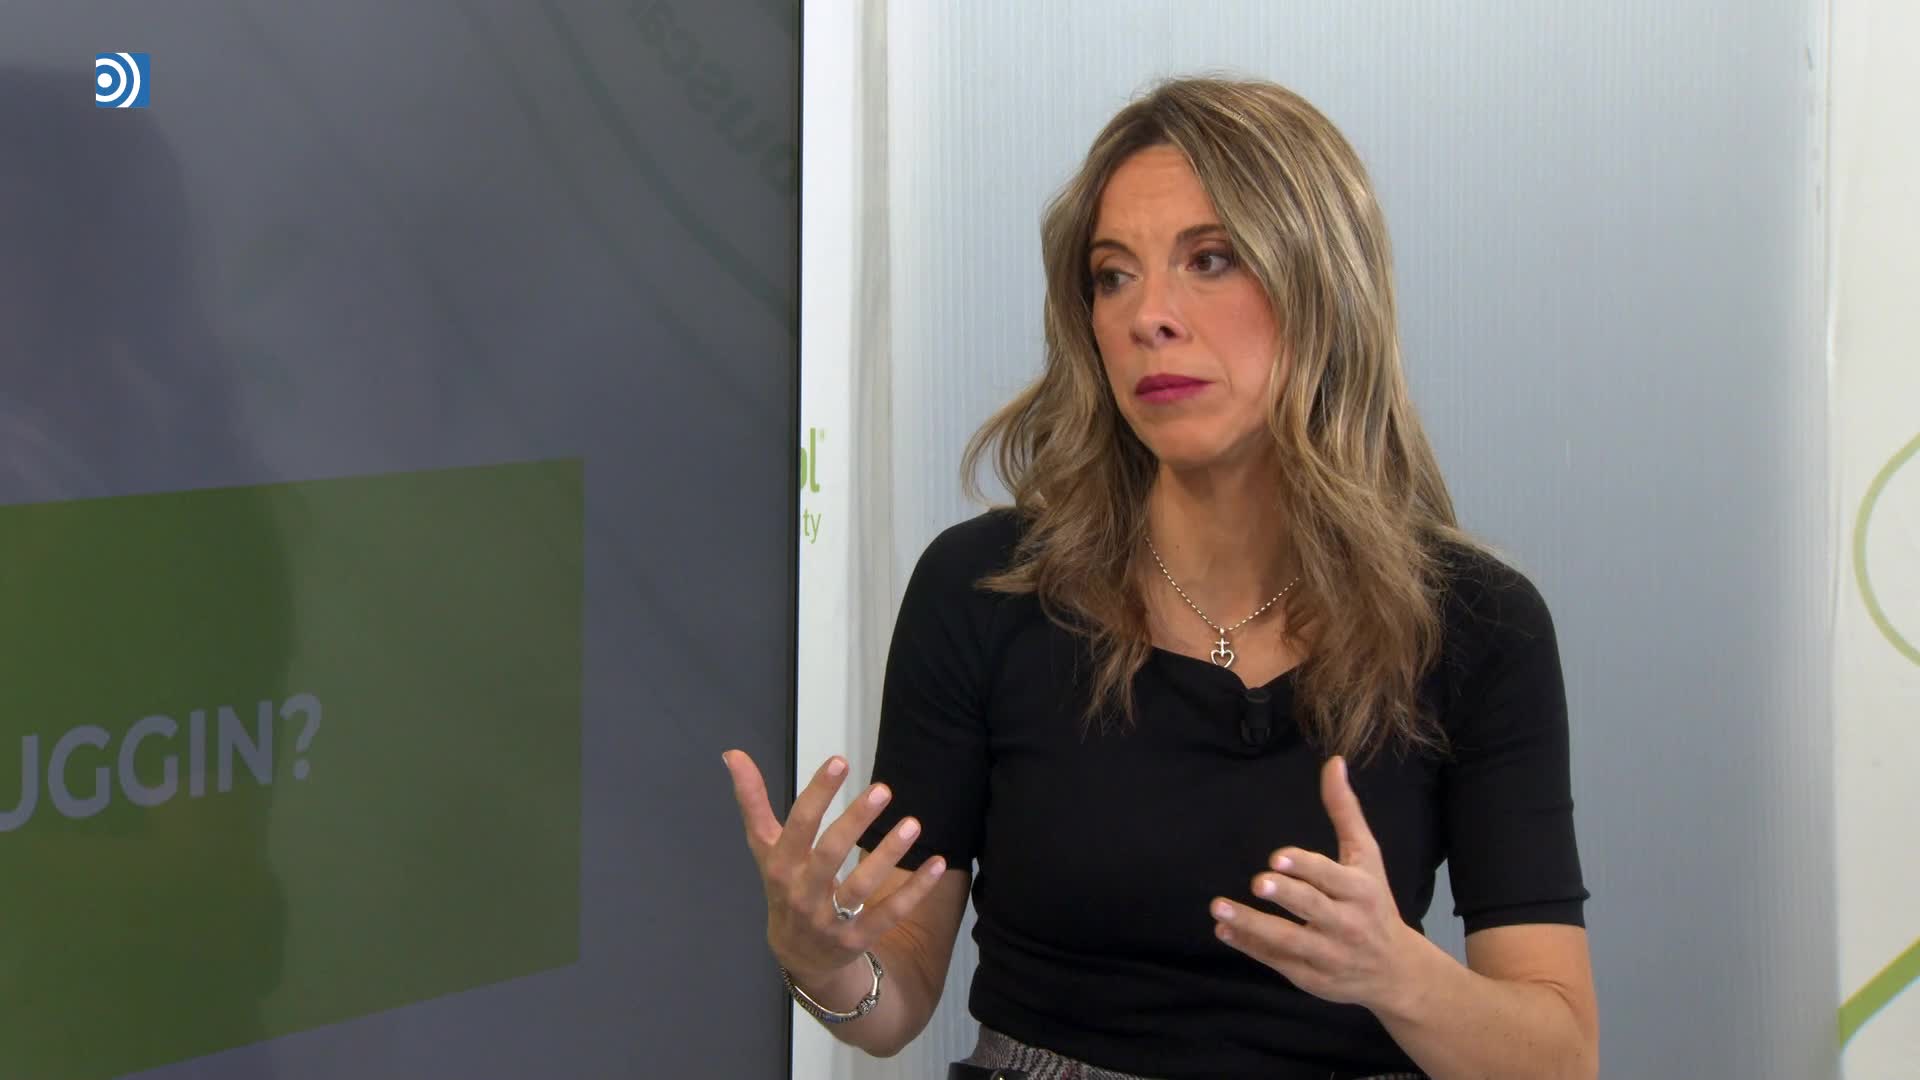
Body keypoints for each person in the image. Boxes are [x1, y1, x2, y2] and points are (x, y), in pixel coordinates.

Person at [725, 76, 1597, 1080]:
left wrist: (1399, 975)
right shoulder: (985, 591)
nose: (1150, 317)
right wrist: (823, 962)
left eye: (1209, 260)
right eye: (1112, 276)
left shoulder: (1477, 625)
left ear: (1322, 287)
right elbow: (897, 990)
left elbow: (1560, 1059)